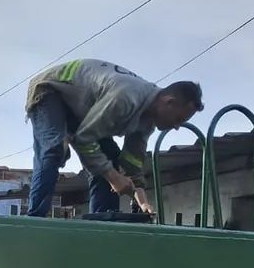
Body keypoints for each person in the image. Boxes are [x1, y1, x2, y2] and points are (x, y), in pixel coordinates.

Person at [24, 59, 203, 218]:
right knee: (53, 150)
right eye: (179, 118)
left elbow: (132, 163)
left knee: (108, 158)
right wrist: (114, 178)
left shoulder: (147, 121)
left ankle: (102, 224)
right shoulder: (126, 97)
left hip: (84, 109)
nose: (177, 126)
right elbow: (85, 139)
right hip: (52, 90)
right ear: (168, 102)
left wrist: (142, 202)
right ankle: (34, 220)